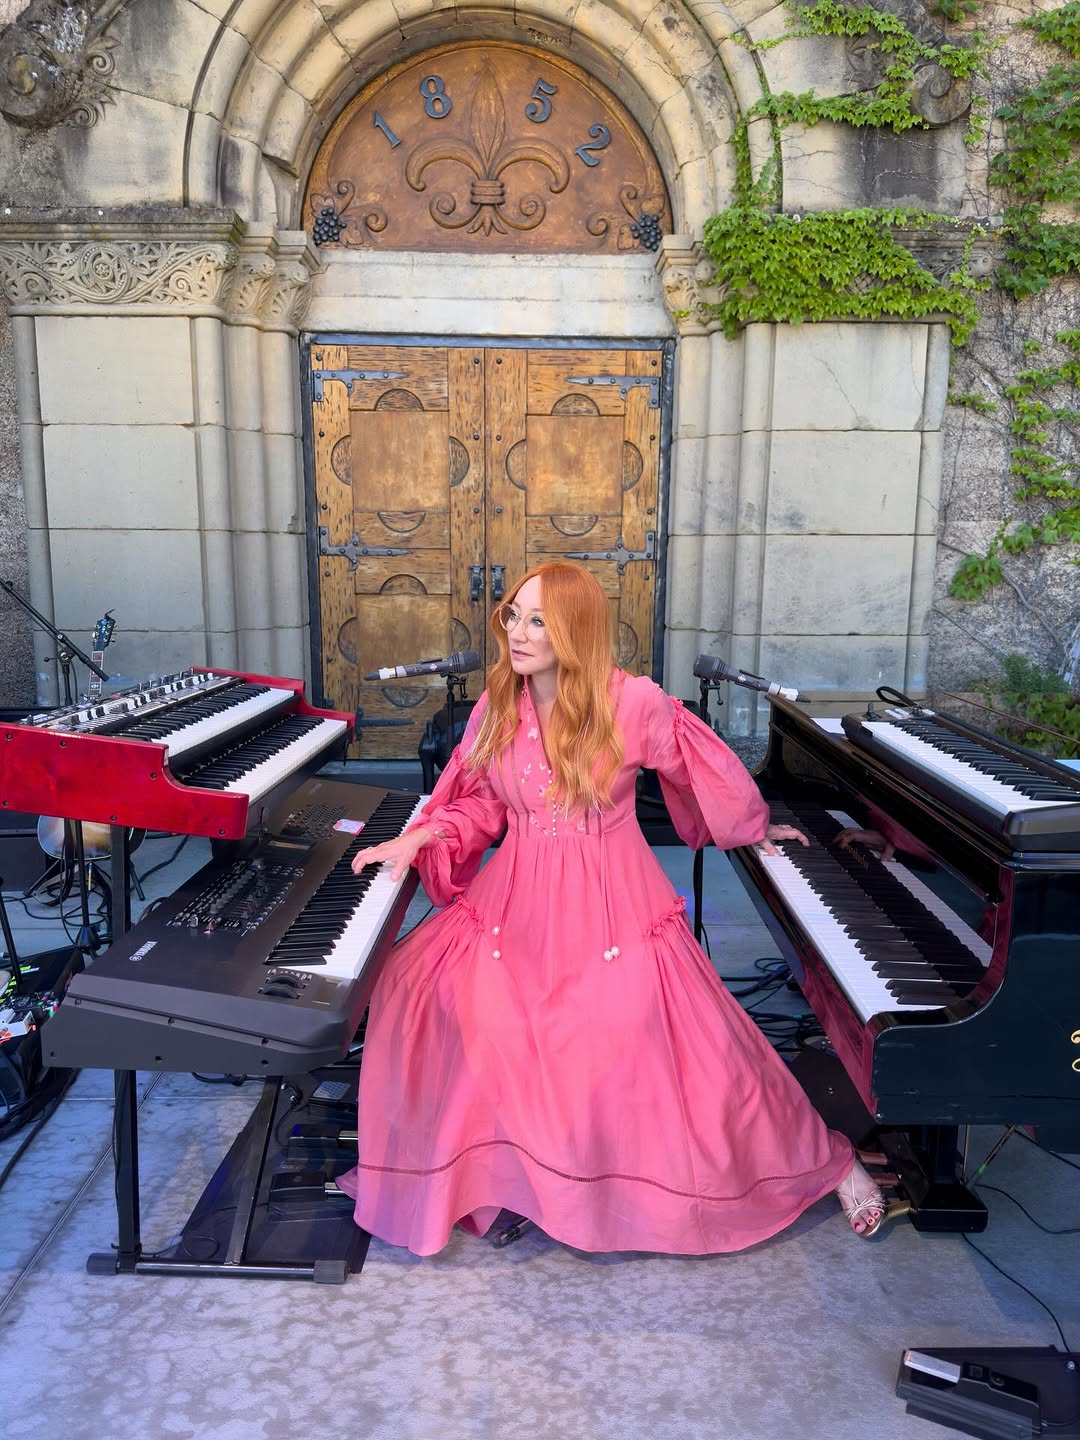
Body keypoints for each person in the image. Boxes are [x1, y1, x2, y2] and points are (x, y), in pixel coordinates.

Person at [336, 561, 897, 1256]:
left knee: (693, 1046)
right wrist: (424, 832)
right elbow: (482, 802)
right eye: (514, 614)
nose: (518, 631)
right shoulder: (493, 706)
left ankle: (828, 1162)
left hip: (612, 899)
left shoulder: (632, 702)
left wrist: (750, 827)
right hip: (516, 897)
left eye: (539, 619)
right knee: (428, 987)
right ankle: (508, 1177)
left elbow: (698, 768)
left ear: (577, 628)